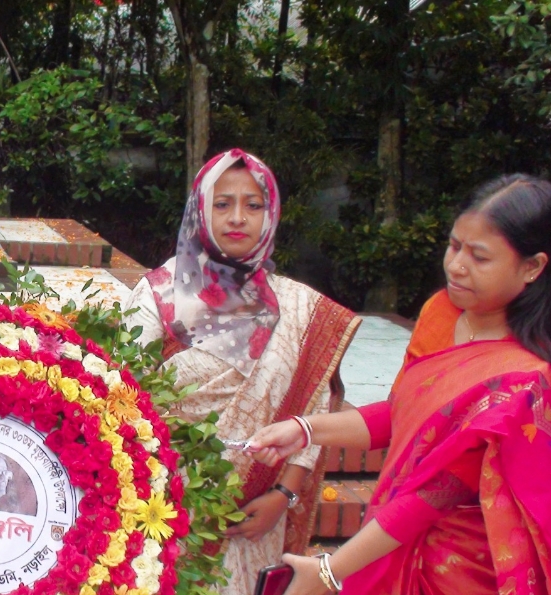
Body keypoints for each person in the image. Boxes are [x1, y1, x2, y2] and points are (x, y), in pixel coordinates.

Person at [248, 174, 551, 595]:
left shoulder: (525, 378)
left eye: (479, 257)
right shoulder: (441, 313)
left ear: (532, 267)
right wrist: (306, 429)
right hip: (389, 536)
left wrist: (331, 572)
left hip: (459, 569)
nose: (456, 265)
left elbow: (437, 492)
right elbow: (406, 412)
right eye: (454, 245)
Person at [122, 149, 360, 595]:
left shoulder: (301, 310)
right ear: (200, 209)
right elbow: (123, 399)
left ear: (271, 215)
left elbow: (311, 415)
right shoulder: (160, 294)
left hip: (255, 516)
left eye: (254, 205)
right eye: (222, 203)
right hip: (162, 507)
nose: (238, 217)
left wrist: (282, 497)